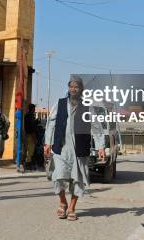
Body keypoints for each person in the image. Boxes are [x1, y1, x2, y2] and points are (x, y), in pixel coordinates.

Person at [44, 76, 105, 221]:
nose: (73, 89)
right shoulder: (59, 104)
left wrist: (101, 147)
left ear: (81, 90)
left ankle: (71, 207)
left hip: (80, 149)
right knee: (58, 177)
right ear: (68, 88)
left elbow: (96, 127)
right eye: (71, 86)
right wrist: (47, 143)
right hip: (61, 147)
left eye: (76, 86)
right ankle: (63, 202)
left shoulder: (87, 106)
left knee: (78, 180)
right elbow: (50, 124)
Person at [24, 103, 39, 170]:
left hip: (28, 134)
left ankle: (28, 164)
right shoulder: (30, 116)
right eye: (34, 108)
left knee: (29, 150)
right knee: (30, 150)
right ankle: (28, 165)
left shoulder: (27, 115)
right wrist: (34, 137)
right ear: (32, 109)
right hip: (31, 134)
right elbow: (31, 126)